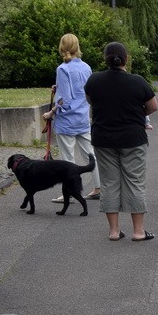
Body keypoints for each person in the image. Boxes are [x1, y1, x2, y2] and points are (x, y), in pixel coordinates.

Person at [84, 41, 158, 241]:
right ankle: (138, 231)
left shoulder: (94, 80)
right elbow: (153, 106)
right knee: (134, 182)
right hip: (133, 138)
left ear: (105, 59)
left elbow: (91, 101)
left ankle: (114, 231)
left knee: (109, 183)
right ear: (126, 59)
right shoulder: (138, 81)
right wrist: (138, 113)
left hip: (103, 139)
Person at [42, 33, 100, 202]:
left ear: (62, 47)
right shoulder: (86, 67)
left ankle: (70, 193)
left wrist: (51, 113)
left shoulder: (62, 69)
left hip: (66, 120)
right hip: (82, 117)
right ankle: (98, 187)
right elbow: (84, 91)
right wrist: (58, 87)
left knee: (68, 160)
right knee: (91, 154)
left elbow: (64, 99)